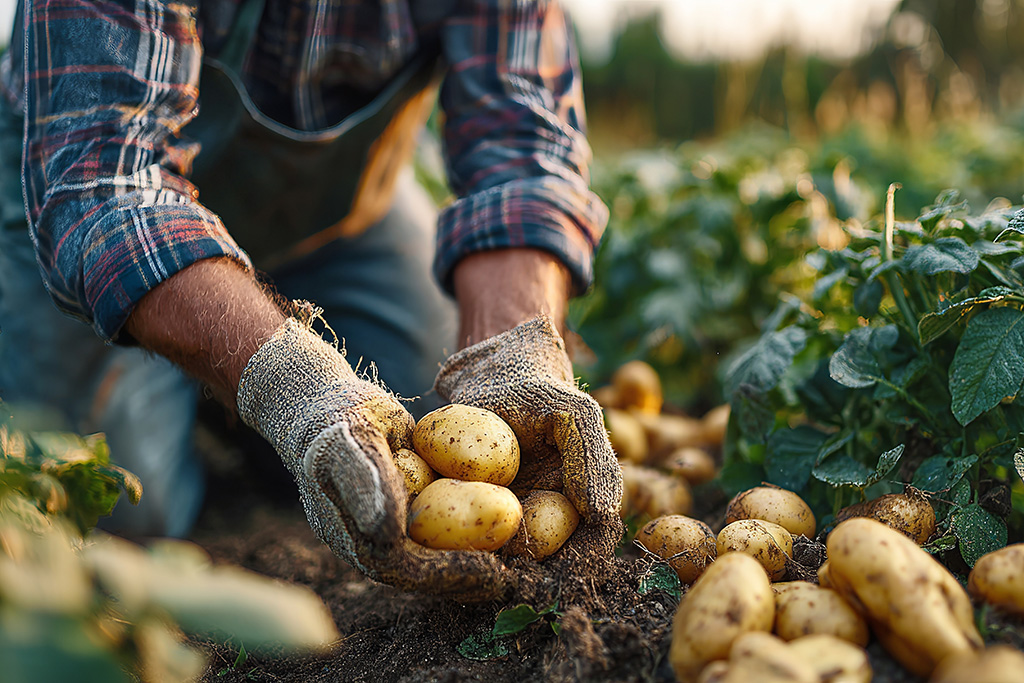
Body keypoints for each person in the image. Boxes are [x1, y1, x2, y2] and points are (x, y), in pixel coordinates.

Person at [0, 0, 622, 599]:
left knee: (421, 411)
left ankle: (219, 374)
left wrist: (512, 353)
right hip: (79, 201)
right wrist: (290, 385)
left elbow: (523, 156)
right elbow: (105, 183)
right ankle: (204, 379)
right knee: (115, 503)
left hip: (334, 215)